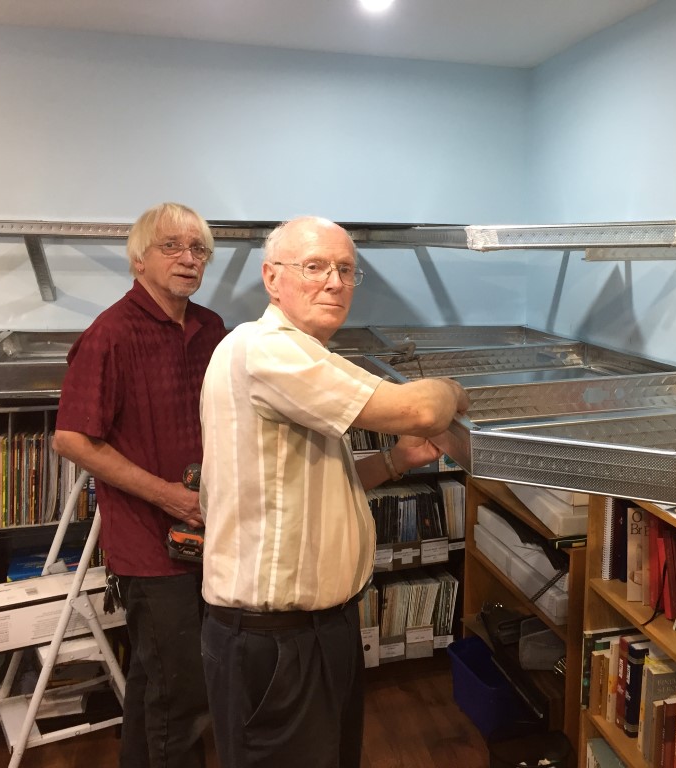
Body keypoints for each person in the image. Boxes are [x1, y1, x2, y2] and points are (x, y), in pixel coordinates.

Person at [198, 216, 469, 768]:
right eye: (315, 266)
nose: (334, 282)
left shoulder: (304, 355)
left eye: (346, 270)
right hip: (278, 642)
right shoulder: (269, 350)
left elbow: (311, 485)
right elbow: (421, 410)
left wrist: (395, 461)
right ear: (272, 278)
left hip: (321, 631)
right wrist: (454, 389)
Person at [53, 202, 226, 768]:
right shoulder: (110, 334)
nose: (188, 258)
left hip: (208, 534)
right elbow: (71, 440)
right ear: (138, 260)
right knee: (184, 693)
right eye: (170, 246)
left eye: (198, 249)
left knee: (160, 680)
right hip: (150, 548)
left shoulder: (211, 328)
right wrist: (168, 495)